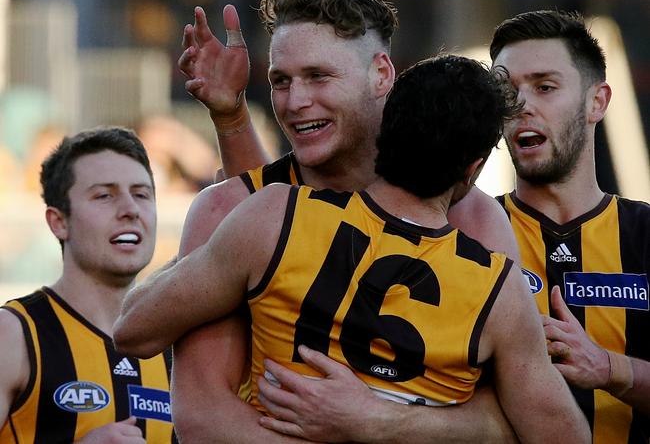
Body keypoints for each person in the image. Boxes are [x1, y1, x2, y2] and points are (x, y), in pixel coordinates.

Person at [115, 53, 590, 444]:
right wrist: (392, 422)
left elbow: (133, 330)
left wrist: (219, 249)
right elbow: (563, 437)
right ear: (473, 169)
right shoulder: (497, 287)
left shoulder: (276, 216)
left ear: (385, 134)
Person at [168, 0, 521, 442]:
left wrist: (378, 423)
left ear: (381, 74)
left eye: (318, 76)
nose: (295, 102)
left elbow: (507, 421)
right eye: (280, 81)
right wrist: (230, 119)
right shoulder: (225, 211)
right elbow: (203, 415)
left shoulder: (475, 219)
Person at [489, 9, 650, 443]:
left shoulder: (644, 234)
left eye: (544, 87)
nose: (521, 105)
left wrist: (607, 368)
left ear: (597, 101)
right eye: (506, 90)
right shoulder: (468, 232)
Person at [0, 127, 176, 443]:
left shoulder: (180, 349)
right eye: (104, 195)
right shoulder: (13, 335)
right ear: (59, 222)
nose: (130, 210)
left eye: (141, 194)